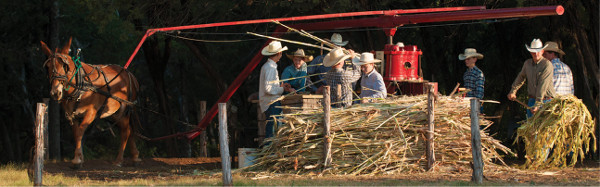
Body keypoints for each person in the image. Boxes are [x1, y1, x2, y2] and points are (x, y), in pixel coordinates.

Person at [507, 39, 556, 118]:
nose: (536, 54)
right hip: (532, 100)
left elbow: (543, 85)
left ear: (542, 51)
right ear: (530, 52)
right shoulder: (527, 63)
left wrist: (538, 104)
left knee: (543, 129)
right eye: (533, 51)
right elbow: (521, 77)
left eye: (538, 51)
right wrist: (513, 91)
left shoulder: (547, 65)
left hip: (546, 101)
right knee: (531, 127)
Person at [259, 41, 294, 139]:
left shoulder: (268, 67)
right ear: (279, 53)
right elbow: (268, 89)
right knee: (272, 131)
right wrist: (282, 89)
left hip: (270, 102)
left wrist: (280, 86)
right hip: (271, 102)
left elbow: (270, 86)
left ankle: (268, 151)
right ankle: (269, 151)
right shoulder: (270, 68)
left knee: (272, 129)